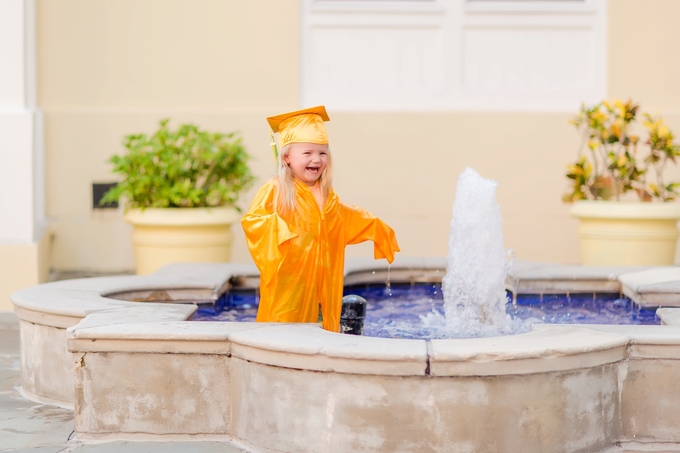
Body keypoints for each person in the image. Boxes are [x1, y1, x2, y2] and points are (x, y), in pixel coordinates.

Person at [241, 105, 400, 332]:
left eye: (322, 153)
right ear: (287, 157)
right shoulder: (277, 189)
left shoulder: (327, 194)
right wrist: (278, 229)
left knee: (323, 330)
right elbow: (252, 221)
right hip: (291, 287)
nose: (316, 159)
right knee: (286, 334)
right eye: (307, 153)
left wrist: (374, 226)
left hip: (324, 284)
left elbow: (342, 217)